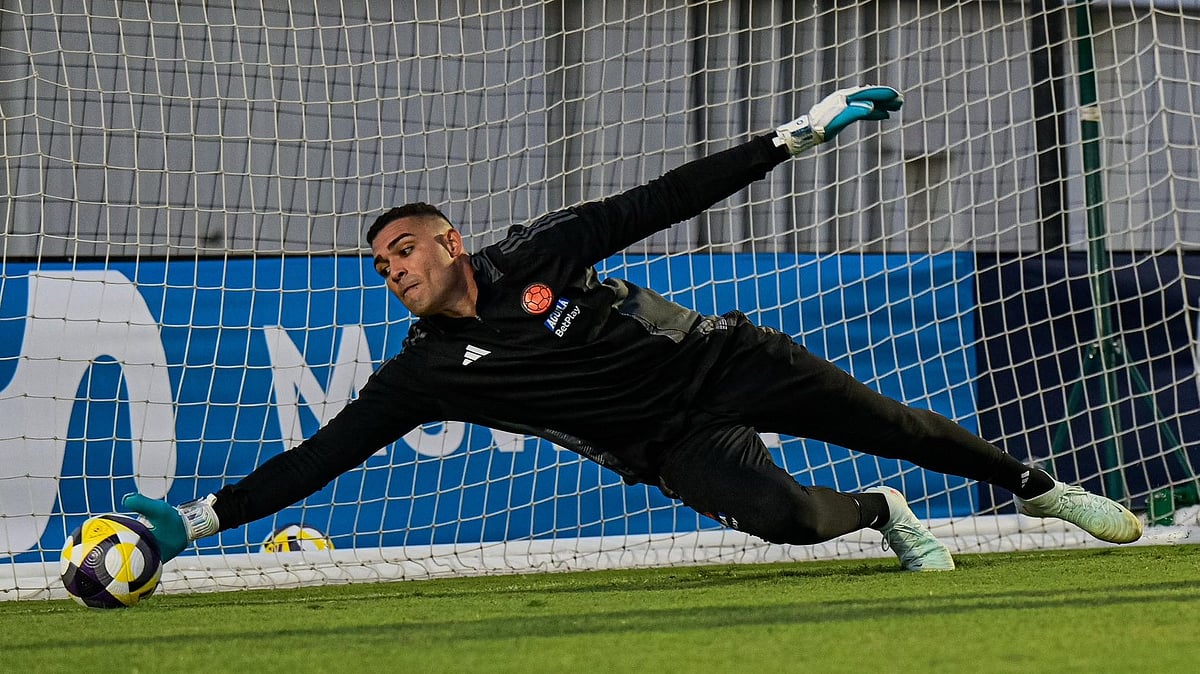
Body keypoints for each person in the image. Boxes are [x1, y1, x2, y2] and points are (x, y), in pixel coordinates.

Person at [125, 86, 1142, 573]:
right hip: (663, 444)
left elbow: (661, 199)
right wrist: (195, 522)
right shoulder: (425, 373)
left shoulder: (538, 253)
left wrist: (792, 138)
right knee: (789, 521)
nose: (393, 271)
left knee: (894, 422)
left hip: (723, 363)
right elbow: (319, 458)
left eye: (404, 250)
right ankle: (881, 512)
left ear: (451, 241)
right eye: (382, 266)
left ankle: (1043, 491)